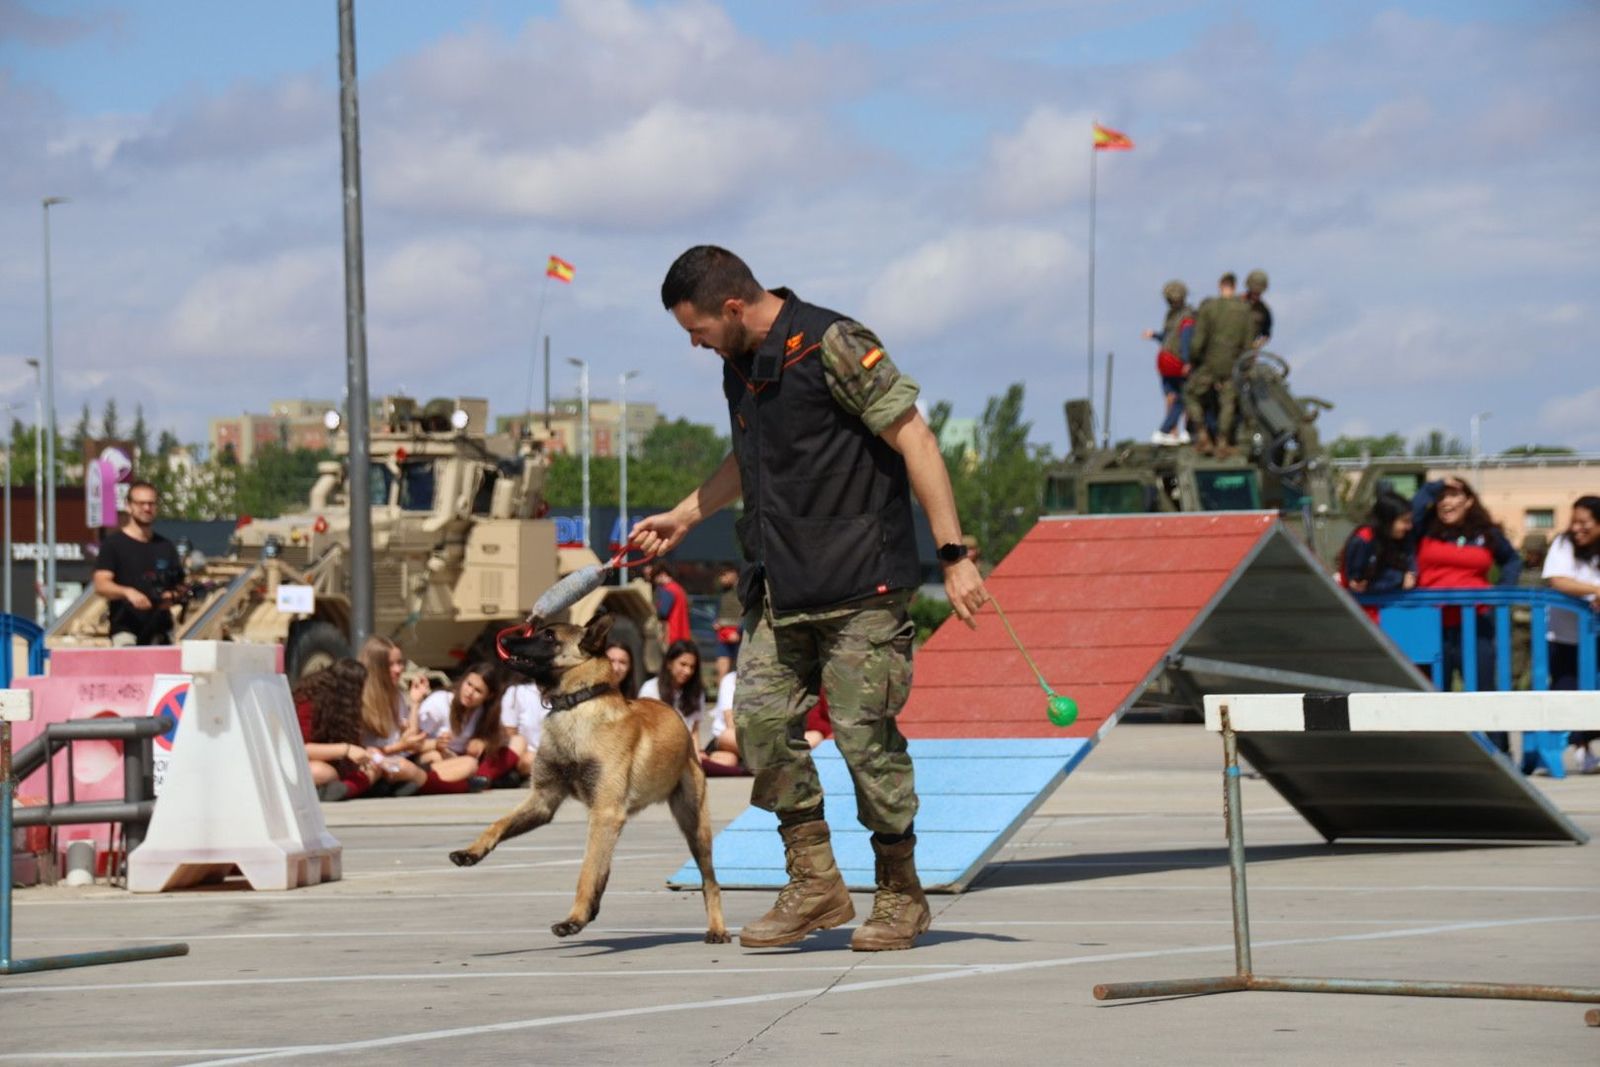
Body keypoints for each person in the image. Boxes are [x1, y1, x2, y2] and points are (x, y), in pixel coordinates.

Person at [633, 244, 988, 952]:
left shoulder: (833, 344)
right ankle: (816, 884)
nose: (696, 345)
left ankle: (899, 893)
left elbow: (914, 435)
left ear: (733, 307)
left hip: (861, 584)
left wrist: (952, 555)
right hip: (781, 587)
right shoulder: (742, 368)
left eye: (697, 329)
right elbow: (751, 458)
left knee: (864, 741)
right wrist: (683, 513)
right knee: (760, 726)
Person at [1411, 477, 1522, 751]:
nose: (1446, 502)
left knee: (1484, 689)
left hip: (1475, 624)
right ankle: (1437, 755)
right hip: (1431, 625)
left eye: (1453, 495)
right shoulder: (1423, 529)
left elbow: (1512, 559)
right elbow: (1412, 510)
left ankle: (1500, 751)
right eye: (1441, 497)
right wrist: (1432, 487)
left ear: (1469, 501)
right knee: (1433, 692)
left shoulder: (1486, 533)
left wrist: (1502, 590)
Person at [1541, 496, 1600, 773]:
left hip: (1595, 635)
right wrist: (1596, 590)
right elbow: (1557, 580)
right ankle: (1578, 749)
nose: (1577, 528)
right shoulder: (1563, 544)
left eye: (1584, 522)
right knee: (1566, 689)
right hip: (1565, 636)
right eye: (1574, 521)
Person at [92, 480, 182, 646]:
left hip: (161, 631)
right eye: (141, 503)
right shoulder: (114, 544)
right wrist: (128, 593)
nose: (147, 508)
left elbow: (179, 584)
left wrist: (172, 596)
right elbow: (100, 584)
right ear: (128, 506)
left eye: (151, 503)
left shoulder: (166, 546)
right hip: (126, 630)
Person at [1183, 273, 1255, 457]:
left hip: (1210, 363)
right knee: (1228, 403)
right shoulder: (1245, 310)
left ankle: (1202, 436)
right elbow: (1249, 345)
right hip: (1233, 364)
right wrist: (1245, 366)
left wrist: (1193, 360)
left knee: (1190, 394)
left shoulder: (1210, 308)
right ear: (1234, 286)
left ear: (1220, 285)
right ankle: (1223, 442)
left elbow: (1198, 341)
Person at [292, 659, 381, 801]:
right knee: (324, 772)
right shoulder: (308, 703)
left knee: (373, 767)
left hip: (329, 761)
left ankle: (344, 789)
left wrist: (363, 753)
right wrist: (346, 750)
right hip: (297, 763)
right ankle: (346, 788)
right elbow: (300, 750)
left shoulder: (341, 708)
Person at [414, 663, 508, 790]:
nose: (469, 692)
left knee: (516, 742)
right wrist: (435, 744)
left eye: (478, 691)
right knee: (439, 757)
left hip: (457, 760)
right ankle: (459, 785)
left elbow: (502, 738)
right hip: (427, 757)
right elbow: (412, 744)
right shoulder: (439, 702)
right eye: (469, 684)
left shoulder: (484, 712)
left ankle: (453, 783)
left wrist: (483, 742)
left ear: (489, 696)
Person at [1339, 490, 1417, 620]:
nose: (1409, 527)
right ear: (1388, 520)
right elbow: (1359, 583)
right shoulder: (1363, 540)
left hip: (1389, 612)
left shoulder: (1398, 539)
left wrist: (1411, 573)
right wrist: (1399, 579)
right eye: (1404, 521)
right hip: (1364, 617)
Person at [1144, 280, 1195, 446]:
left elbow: (1166, 337)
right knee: (1187, 397)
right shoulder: (1188, 316)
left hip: (1163, 360)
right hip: (1177, 361)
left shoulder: (1170, 316)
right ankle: (1185, 431)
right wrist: (1187, 361)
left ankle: (1172, 434)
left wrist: (1153, 335)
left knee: (1171, 397)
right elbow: (1186, 340)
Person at [639, 638, 707, 741]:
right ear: (669, 663)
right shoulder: (650, 689)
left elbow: (694, 732)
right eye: (683, 664)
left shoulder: (697, 692)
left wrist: (697, 756)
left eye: (692, 667)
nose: (688, 671)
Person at [498, 667, 546, 780]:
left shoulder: (567, 691)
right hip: (527, 757)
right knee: (530, 760)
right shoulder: (517, 692)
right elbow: (509, 733)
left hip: (559, 756)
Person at [648, 561, 694, 647]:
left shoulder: (667, 589)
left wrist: (653, 609)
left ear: (662, 574)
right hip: (683, 633)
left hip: (672, 634)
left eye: (655, 578)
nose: (655, 582)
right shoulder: (679, 589)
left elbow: (663, 612)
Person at [713, 564, 743, 682]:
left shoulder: (743, 589)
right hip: (723, 632)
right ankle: (722, 697)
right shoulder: (723, 591)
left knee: (739, 669)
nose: (721, 579)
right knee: (722, 667)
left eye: (724, 575)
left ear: (733, 573)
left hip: (738, 634)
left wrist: (739, 631)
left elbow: (748, 612)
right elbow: (718, 609)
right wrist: (715, 621)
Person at [1243, 269, 1272, 348]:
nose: (1256, 294)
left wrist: (1256, 345)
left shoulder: (1264, 311)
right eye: (1254, 291)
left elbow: (1266, 334)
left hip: (1248, 354)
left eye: (1258, 292)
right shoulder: (1235, 304)